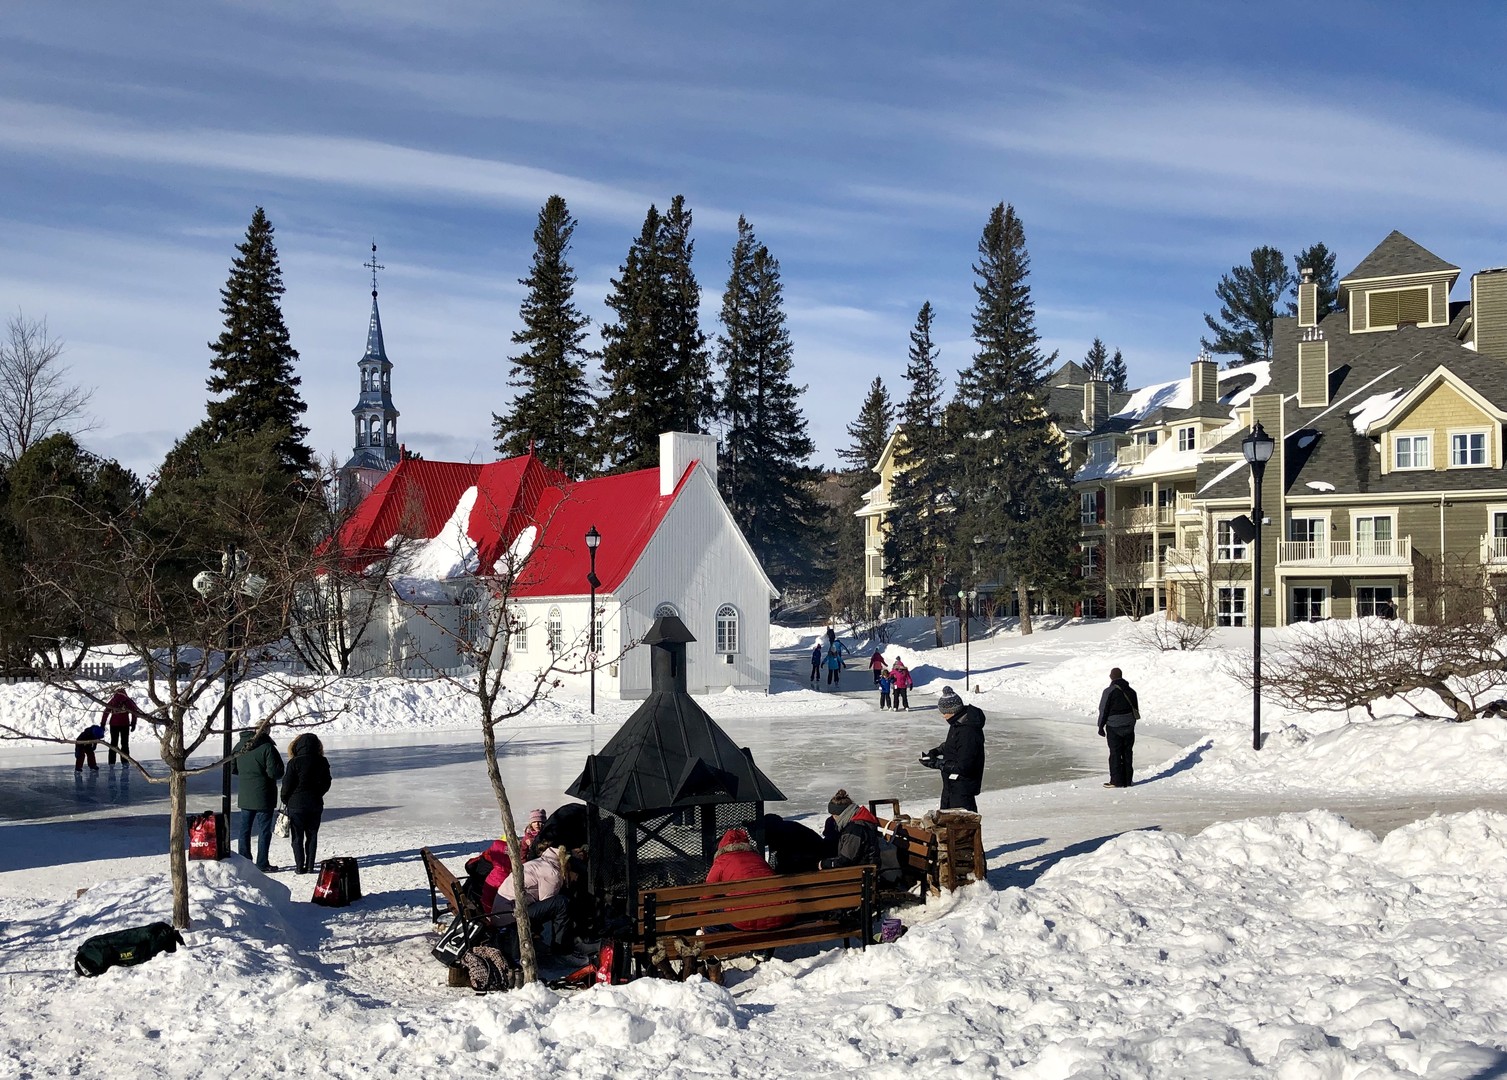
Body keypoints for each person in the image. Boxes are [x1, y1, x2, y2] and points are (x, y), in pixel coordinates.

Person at [704, 827, 793, 931]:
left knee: (712, 919)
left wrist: (701, 920)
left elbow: (708, 892)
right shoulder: (758, 858)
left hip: (744, 921)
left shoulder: (722, 860)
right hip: (781, 916)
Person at [921, 687, 986, 812]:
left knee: (960, 828)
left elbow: (964, 766)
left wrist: (937, 763)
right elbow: (954, 744)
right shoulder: (958, 723)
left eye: (944, 712)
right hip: (951, 787)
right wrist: (937, 751)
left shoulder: (968, 731)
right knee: (945, 824)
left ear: (953, 710)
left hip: (962, 789)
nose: (943, 716)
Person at [231, 727, 285, 871]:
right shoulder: (267, 747)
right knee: (264, 831)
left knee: (245, 830)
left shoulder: (239, 746)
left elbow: (232, 768)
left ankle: (244, 861)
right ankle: (262, 863)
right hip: (264, 796)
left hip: (245, 794)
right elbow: (274, 772)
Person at [280, 733, 332, 875]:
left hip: (296, 804)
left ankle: (299, 866)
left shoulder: (294, 762)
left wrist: (285, 799)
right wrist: (318, 793)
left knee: (297, 837)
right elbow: (327, 782)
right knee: (312, 835)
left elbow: (287, 784)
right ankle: (310, 866)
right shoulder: (322, 761)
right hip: (315, 803)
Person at [1097, 667, 1140, 789]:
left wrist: (1101, 727)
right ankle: (1127, 780)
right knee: (1127, 753)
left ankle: (1116, 781)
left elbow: (1103, 710)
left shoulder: (1109, 691)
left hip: (1114, 727)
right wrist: (1131, 724)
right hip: (1129, 726)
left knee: (1115, 753)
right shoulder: (1132, 691)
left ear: (1111, 677)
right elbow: (1135, 710)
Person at [820, 789, 883, 870]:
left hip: (862, 872)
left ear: (842, 814)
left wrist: (824, 864)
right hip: (859, 868)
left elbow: (846, 860)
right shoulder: (852, 822)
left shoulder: (855, 830)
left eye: (834, 815)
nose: (833, 818)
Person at [759, 813, 826, 874]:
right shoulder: (787, 827)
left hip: (813, 863)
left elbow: (781, 863)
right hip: (818, 857)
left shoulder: (780, 835)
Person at [101, 687, 139, 767]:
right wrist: (133, 723)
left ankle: (111, 762)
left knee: (113, 744)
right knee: (124, 744)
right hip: (125, 725)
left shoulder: (113, 700)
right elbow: (134, 712)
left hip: (114, 725)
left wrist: (103, 724)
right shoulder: (128, 701)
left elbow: (106, 712)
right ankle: (125, 762)